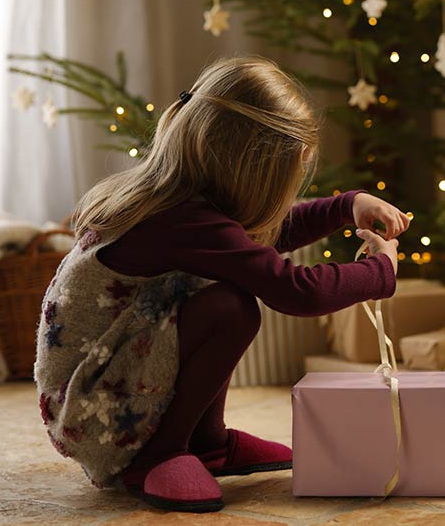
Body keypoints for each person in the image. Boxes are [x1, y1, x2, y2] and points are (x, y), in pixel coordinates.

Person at [34, 56, 409, 513]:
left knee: (226, 299)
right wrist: (380, 271)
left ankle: (205, 443)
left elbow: (257, 241)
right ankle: (158, 454)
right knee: (232, 308)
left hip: (102, 379)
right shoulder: (184, 218)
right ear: (253, 167)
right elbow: (294, 290)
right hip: (97, 411)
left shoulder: (180, 199)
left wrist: (346, 206)